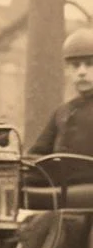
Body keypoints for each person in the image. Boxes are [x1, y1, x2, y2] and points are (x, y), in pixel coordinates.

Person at [29, 27, 93, 156]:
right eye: (75, 65)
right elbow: (37, 156)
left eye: (89, 64)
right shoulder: (62, 112)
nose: (82, 72)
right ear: (68, 70)